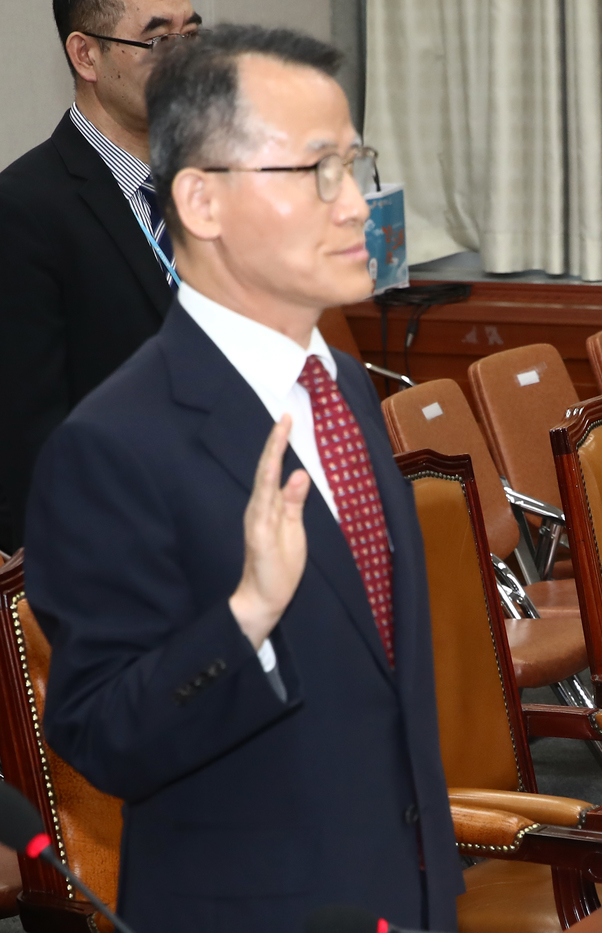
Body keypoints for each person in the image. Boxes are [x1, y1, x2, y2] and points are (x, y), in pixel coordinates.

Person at [24, 26, 461, 933]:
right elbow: (101, 734)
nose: (356, 208)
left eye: (356, 163)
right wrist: (245, 618)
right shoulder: (114, 442)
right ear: (202, 201)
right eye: (314, 172)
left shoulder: (337, 383)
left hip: (402, 897)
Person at [0, 0, 198, 553]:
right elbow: (29, 441)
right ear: (86, 55)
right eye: (159, 42)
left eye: (192, 35)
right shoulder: (26, 209)